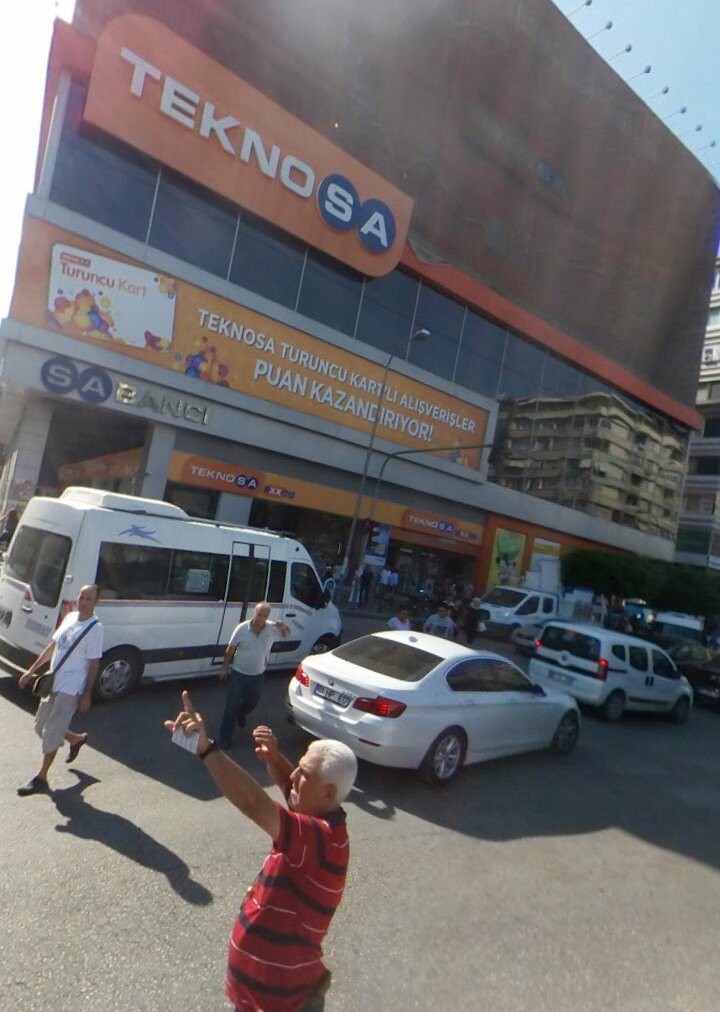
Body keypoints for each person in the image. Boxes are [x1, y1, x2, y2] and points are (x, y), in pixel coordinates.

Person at [165, 690, 358, 1011]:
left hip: (281, 1002)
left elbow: (254, 803)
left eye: (304, 774)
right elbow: (292, 788)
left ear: (328, 792)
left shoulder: (323, 841)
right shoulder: (318, 816)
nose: (293, 776)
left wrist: (206, 749)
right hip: (257, 997)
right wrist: (275, 759)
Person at [16, 584, 103, 795]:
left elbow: (94, 664)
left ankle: (41, 778)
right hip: (53, 680)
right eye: (82, 597)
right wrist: (31, 671)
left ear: (96, 602)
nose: (83, 602)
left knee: (53, 731)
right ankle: (75, 739)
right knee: (41, 726)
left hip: (71, 687)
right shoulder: (70, 617)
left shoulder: (95, 629)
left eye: (89, 599)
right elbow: (52, 647)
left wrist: (87, 693)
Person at [219, 602, 290, 749]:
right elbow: (230, 649)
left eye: (264, 615)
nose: (260, 618)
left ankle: (241, 712)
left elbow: (286, 635)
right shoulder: (242, 628)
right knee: (231, 706)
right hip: (239, 673)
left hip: (257, 675)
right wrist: (225, 667)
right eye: (259, 614)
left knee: (252, 702)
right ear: (254, 613)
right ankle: (224, 739)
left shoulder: (271, 628)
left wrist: (283, 627)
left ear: (267, 616)